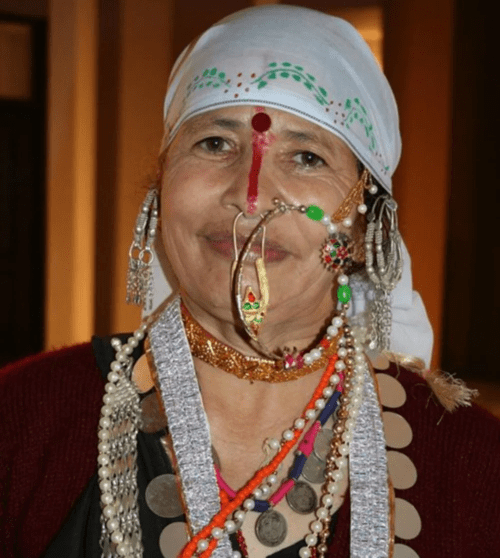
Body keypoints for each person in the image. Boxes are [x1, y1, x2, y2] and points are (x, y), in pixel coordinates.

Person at [1, 5, 499, 558]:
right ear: (160, 188)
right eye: (215, 143)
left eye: (307, 156)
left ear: (366, 229)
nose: (251, 196)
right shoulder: (20, 423)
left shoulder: (476, 467)